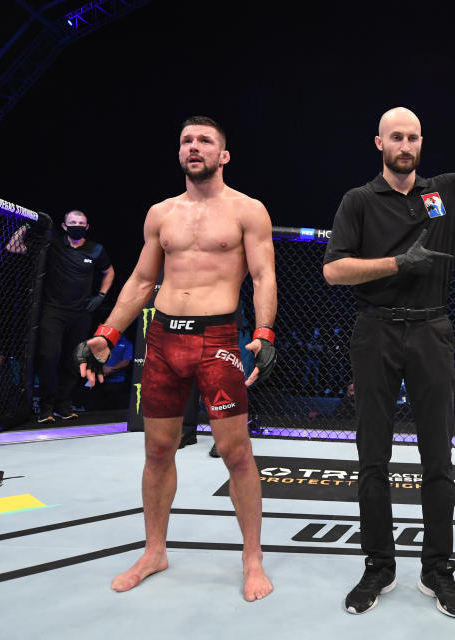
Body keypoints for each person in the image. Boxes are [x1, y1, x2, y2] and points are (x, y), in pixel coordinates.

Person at [322, 104, 455, 617]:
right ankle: (378, 567)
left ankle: (438, 572)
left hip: (432, 327)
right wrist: (396, 263)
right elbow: (334, 270)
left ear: (421, 143)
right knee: (373, 457)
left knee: (439, 458)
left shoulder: (444, 191)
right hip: (376, 328)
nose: (405, 146)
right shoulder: (360, 200)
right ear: (379, 143)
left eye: (412, 137)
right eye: (396, 137)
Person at [75, 116, 278, 601]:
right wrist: (106, 334)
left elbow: (263, 275)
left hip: (218, 340)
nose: (194, 146)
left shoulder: (247, 210)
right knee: (157, 449)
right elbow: (143, 281)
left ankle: (252, 559)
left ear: (223, 155)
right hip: (163, 339)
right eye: (187, 140)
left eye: (205, 140)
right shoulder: (161, 213)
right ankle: (154, 551)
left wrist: (266, 331)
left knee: (236, 453)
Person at [36, 210, 114, 422]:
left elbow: (109, 271)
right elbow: (13, 248)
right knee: (49, 356)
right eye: (73, 222)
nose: (77, 225)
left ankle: (64, 405)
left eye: (81, 223)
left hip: (81, 312)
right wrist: (26, 223)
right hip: (53, 310)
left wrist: (101, 295)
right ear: (64, 226)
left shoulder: (96, 249)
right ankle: (45, 408)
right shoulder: (54, 245)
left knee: (73, 360)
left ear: (87, 227)